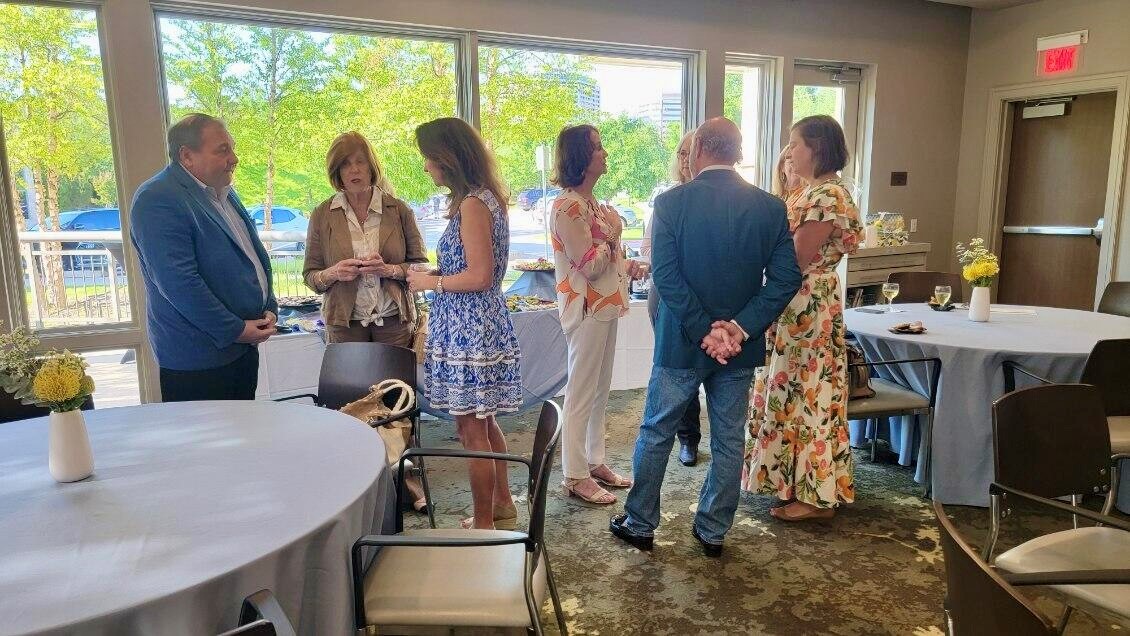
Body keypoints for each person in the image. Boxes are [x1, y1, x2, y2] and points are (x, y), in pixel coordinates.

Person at [610, 118, 802, 557]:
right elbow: (786, 278)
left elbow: (666, 276)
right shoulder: (770, 207)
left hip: (681, 343)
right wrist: (738, 329)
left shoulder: (671, 203)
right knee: (730, 438)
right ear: (738, 153)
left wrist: (703, 330)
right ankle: (713, 530)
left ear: (697, 151)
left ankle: (640, 523)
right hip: (738, 348)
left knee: (657, 431)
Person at [743, 114, 863, 522]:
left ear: (817, 148)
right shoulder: (812, 192)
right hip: (800, 303)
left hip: (806, 304)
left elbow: (795, 260)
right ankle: (798, 485)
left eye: (795, 143)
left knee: (807, 391)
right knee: (794, 390)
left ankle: (815, 497)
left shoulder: (827, 196)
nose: (789, 152)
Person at [406, 117, 521, 530]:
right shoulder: (484, 198)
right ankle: (502, 504)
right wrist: (437, 274)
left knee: (471, 429)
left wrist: (431, 282)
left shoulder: (474, 203)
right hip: (475, 324)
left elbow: (480, 276)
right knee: (483, 421)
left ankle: (486, 522)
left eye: (428, 158)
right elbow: (475, 268)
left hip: (470, 330)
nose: (426, 167)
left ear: (448, 157)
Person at [130, 113, 277, 402]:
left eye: (232, 148)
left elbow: (250, 256)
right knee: (208, 434)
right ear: (187, 156)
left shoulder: (222, 191)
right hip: (199, 362)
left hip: (241, 350)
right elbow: (178, 283)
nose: (234, 159)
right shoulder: (158, 198)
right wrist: (236, 330)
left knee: (244, 430)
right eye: (222, 150)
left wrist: (268, 306)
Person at [549, 124, 647, 506]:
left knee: (599, 388)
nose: (605, 153)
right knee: (581, 391)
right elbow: (588, 265)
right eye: (597, 148)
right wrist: (614, 233)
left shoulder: (590, 204)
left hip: (603, 305)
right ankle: (575, 474)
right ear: (580, 157)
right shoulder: (568, 206)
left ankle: (594, 461)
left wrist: (623, 258)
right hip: (586, 308)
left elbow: (603, 260)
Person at [303, 131, 427, 346]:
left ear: (372, 167)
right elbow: (310, 276)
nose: (354, 169)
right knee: (348, 371)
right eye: (345, 164)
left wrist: (389, 270)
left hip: (394, 321)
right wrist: (334, 273)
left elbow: (422, 267)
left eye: (360, 161)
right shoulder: (322, 215)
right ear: (337, 172)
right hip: (343, 325)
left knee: (395, 371)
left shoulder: (399, 210)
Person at [641, 129, 704, 467]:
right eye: (681, 152)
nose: (685, 158)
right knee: (677, 369)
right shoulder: (666, 201)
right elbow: (647, 248)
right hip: (665, 293)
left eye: (690, 151)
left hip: (706, 294)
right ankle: (687, 437)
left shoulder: (719, 198)